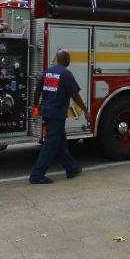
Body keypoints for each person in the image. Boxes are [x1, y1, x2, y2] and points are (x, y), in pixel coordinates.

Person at [29, 48, 88, 184]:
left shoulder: (48, 72)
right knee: (50, 145)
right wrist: (85, 110)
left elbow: (37, 90)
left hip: (47, 112)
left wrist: (36, 107)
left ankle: (71, 168)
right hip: (56, 114)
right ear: (65, 59)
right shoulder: (66, 74)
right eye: (69, 58)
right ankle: (37, 175)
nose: (70, 60)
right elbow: (75, 95)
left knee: (60, 143)